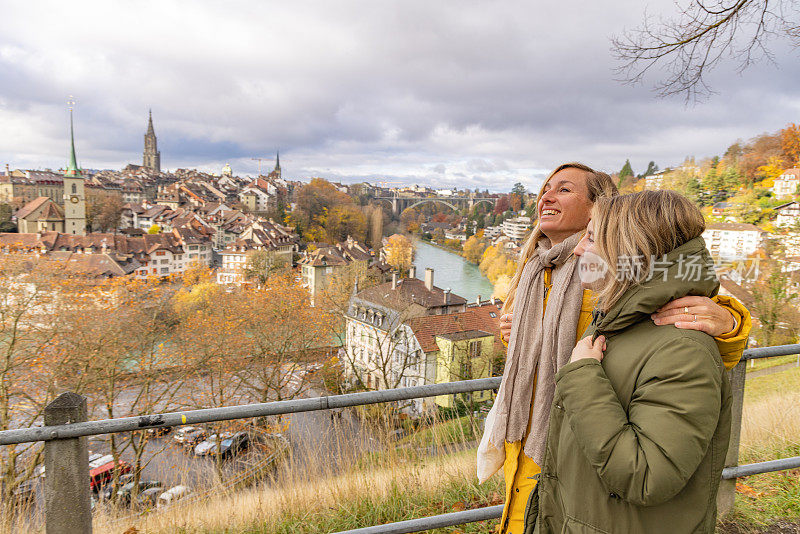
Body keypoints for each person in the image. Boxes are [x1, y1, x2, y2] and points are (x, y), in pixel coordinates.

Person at [476, 163, 751, 534]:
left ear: (601, 210)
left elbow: (679, 311)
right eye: (545, 188)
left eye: (564, 189)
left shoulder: (608, 274)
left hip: (580, 442)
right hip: (530, 433)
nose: (547, 196)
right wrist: (521, 333)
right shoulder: (534, 267)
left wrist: (731, 324)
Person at [528, 190, 731, 533]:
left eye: (591, 237)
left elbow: (647, 476)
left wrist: (582, 378)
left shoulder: (683, 350)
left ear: (630, 249)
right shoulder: (618, 318)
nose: (577, 249)